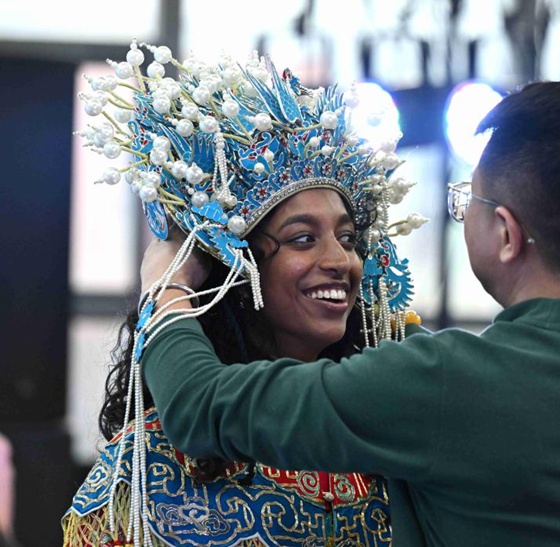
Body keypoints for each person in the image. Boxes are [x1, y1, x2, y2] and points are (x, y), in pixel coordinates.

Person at [138, 80, 560, 545]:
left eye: (471, 201)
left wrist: (167, 288)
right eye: (302, 238)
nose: (341, 261)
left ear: (506, 232)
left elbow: (196, 407)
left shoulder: (447, 381)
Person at [63, 41, 426, 546]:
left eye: (347, 239)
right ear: (233, 267)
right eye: (303, 238)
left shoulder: (383, 430)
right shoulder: (150, 463)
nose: (341, 261)